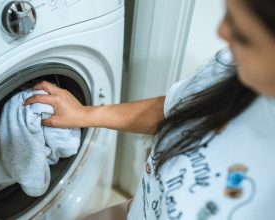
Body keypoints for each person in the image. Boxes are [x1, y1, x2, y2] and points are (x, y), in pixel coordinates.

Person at [24, 0, 275, 219]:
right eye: (228, 13)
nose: (221, 31)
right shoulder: (228, 68)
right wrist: (84, 114)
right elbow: (173, 110)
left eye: (243, 35)